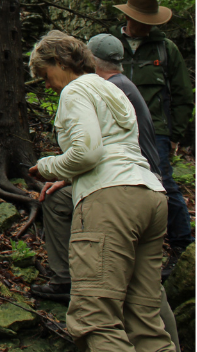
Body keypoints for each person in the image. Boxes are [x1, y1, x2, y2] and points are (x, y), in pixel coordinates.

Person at [31, 33, 180, 351]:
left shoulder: (76, 89)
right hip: (149, 195)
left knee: (95, 319)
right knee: (145, 321)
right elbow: (115, 148)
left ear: (60, 61)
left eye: (46, 75)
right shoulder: (112, 89)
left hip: (110, 202)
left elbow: (87, 153)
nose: (47, 84)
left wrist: (48, 166)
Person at [109, 0, 194, 267]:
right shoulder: (111, 46)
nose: (148, 24)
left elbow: (183, 95)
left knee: (163, 183)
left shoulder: (165, 48)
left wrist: (175, 134)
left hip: (155, 129)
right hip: (117, 127)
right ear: (130, 17)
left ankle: (183, 246)